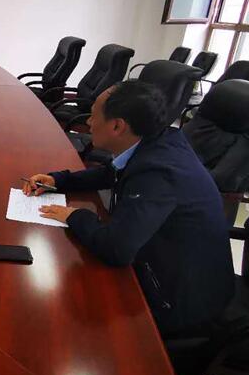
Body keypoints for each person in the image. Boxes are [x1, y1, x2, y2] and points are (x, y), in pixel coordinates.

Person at [24, 81, 234, 336]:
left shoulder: (158, 173)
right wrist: (59, 180)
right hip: (167, 264)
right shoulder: (159, 141)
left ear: (117, 126)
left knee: (69, 315)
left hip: (180, 302)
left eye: (93, 116)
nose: (88, 122)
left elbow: (116, 249)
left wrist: (75, 215)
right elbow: (112, 173)